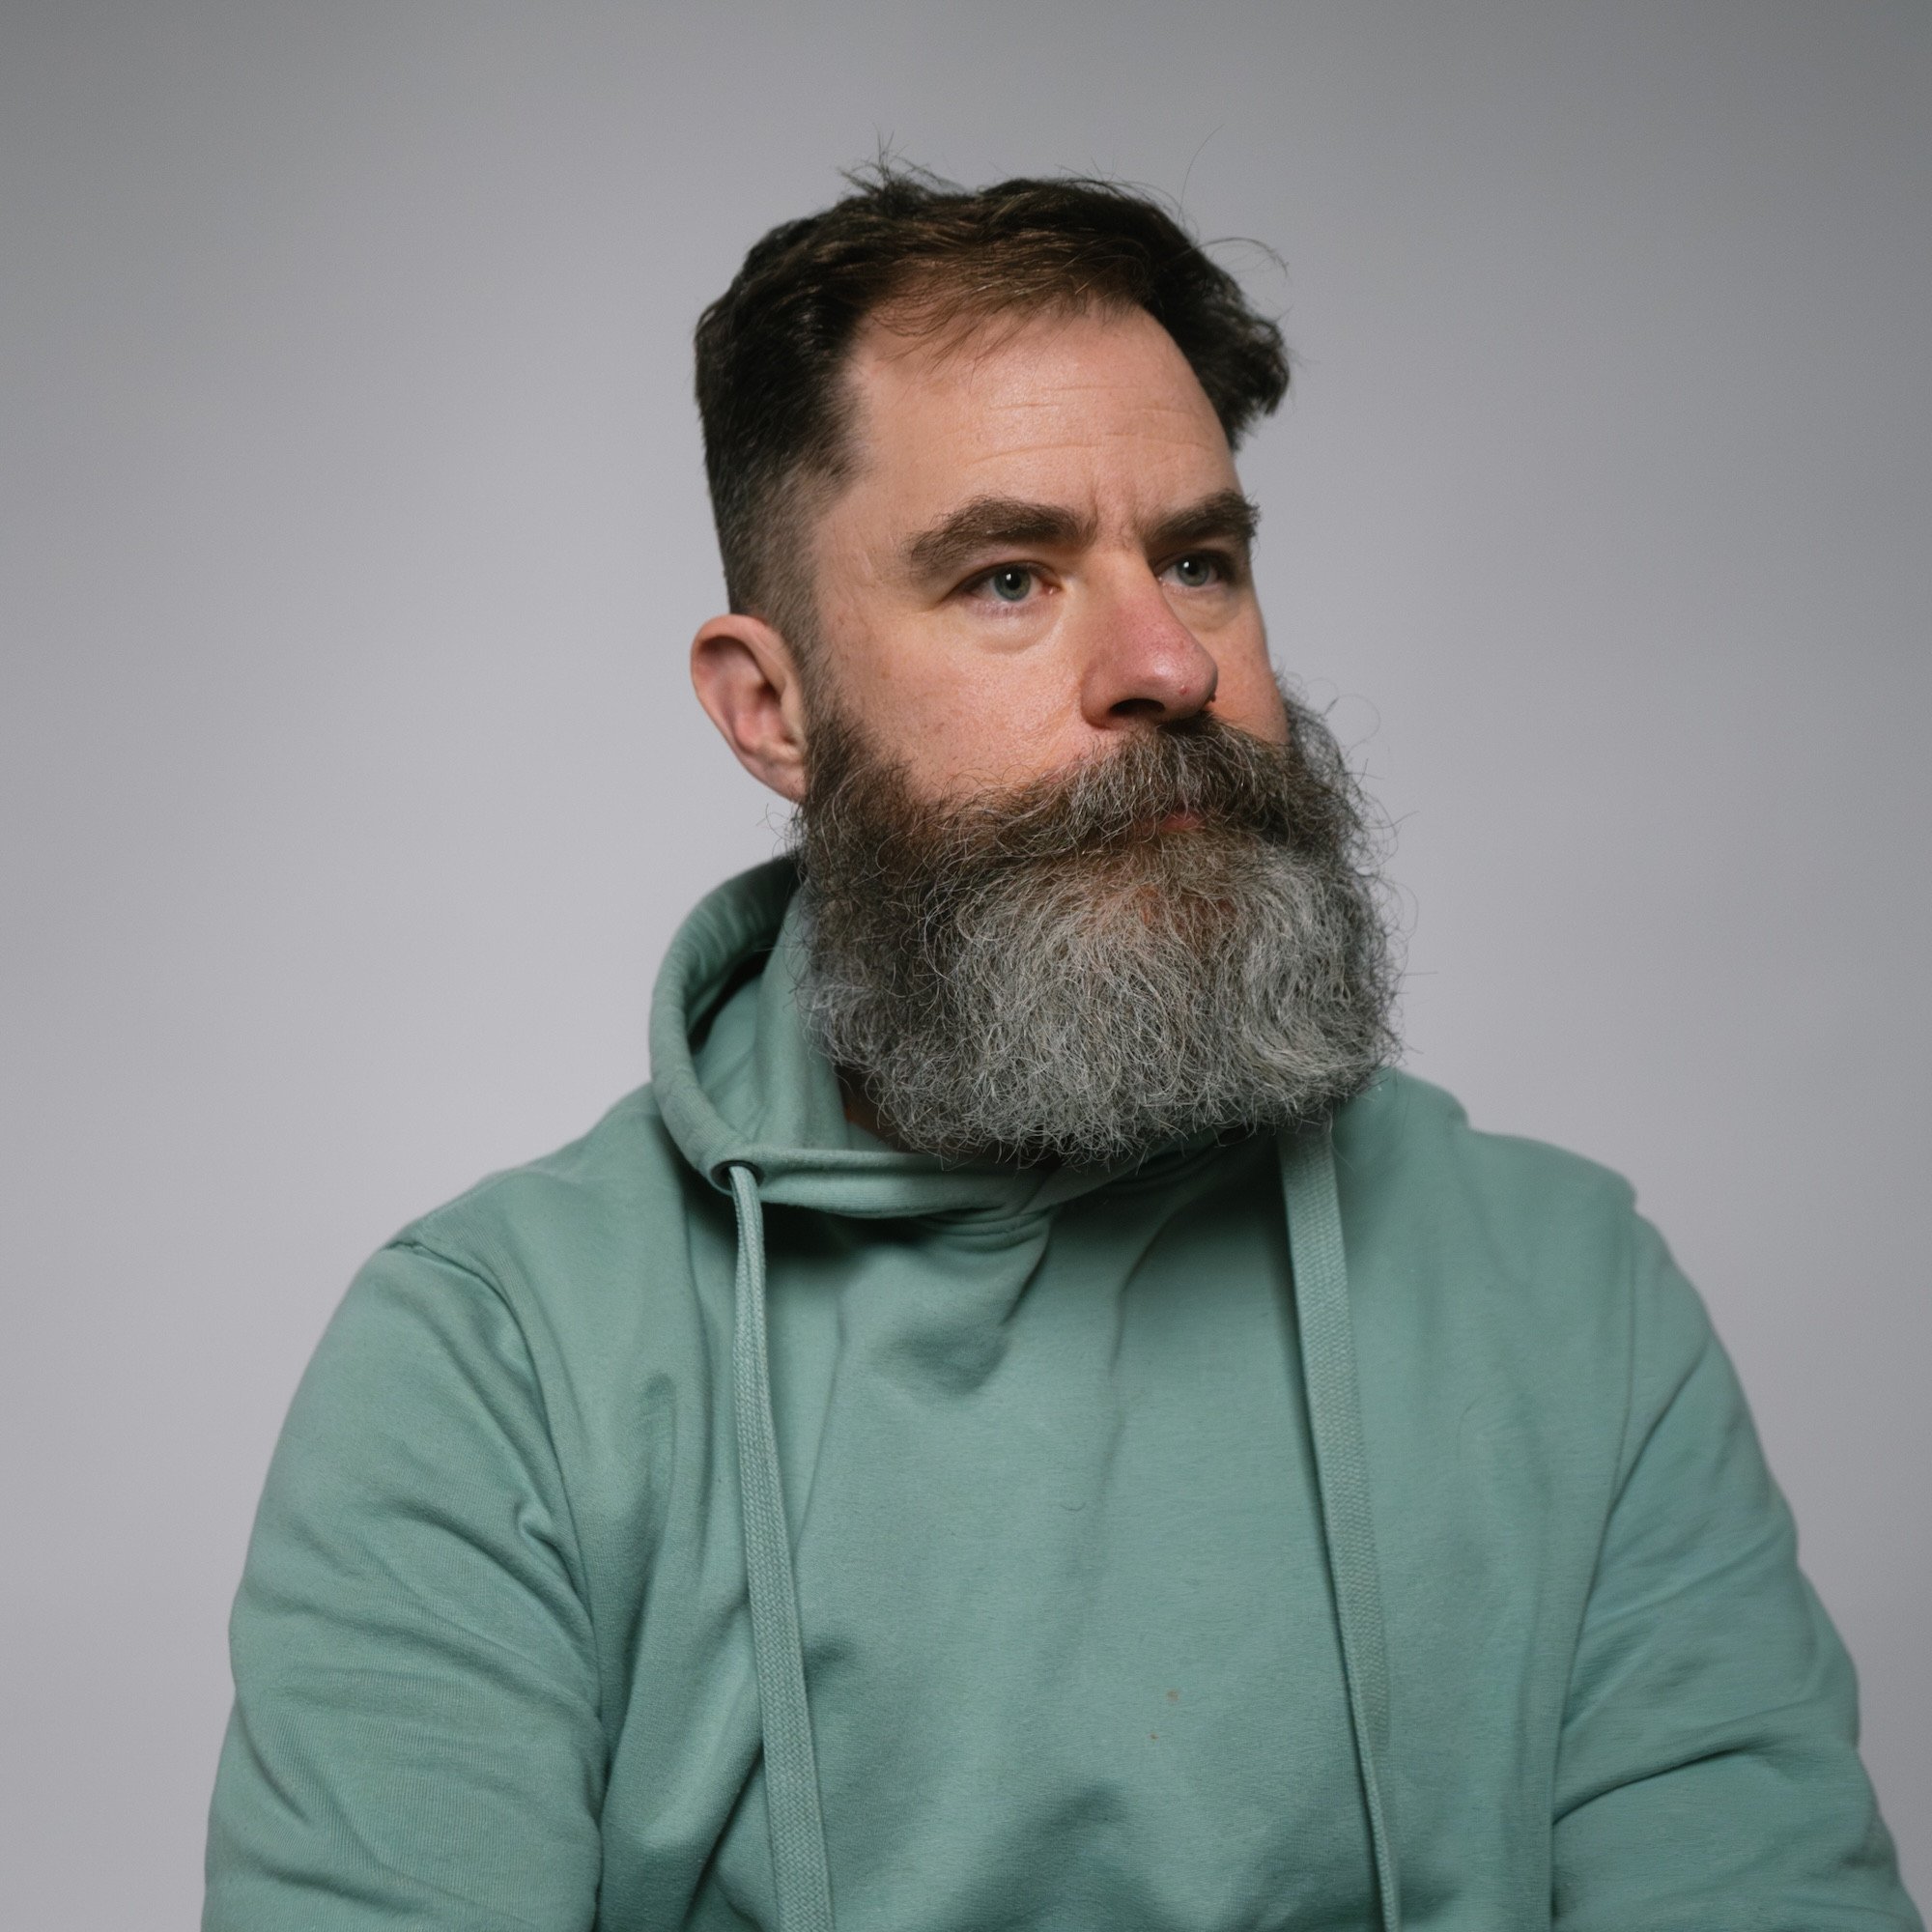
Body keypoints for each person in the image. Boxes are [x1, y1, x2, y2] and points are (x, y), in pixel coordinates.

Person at [203, 167, 1921, 1932]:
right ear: (772, 708)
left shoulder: (1570, 1299)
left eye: (1201, 561)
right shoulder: (492, 1365)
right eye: (1010, 578)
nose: (1166, 663)